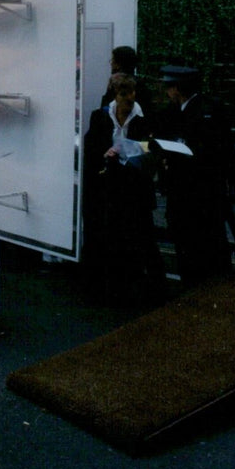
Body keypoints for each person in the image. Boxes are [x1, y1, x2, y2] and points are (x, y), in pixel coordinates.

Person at [82, 74, 166, 305]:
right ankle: (112, 286)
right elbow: (91, 145)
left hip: (135, 183)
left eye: (131, 100)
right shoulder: (100, 116)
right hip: (109, 183)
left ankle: (152, 286)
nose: (128, 106)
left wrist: (137, 149)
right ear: (115, 97)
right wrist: (105, 153)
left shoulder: (144, 117)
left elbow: (153, 148)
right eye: (124, 100)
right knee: (111, 232)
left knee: (142, 233)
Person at [155, 65, 235, 285]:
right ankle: (200, 281)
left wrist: (232, 181)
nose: (167, 93)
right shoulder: (176, 111)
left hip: (199, 188)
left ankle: (203, 284)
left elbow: (224, 147)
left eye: (169, 88)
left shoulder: (205, 110)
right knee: (194, 238)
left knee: (199, 239)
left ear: (178, 89)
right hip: (190, 187)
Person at [100, 46, 154, 121]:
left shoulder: (116, 84)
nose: (111, 63)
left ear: (119, 64)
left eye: (113, 60)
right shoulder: (142, 86)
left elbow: (105, 112)